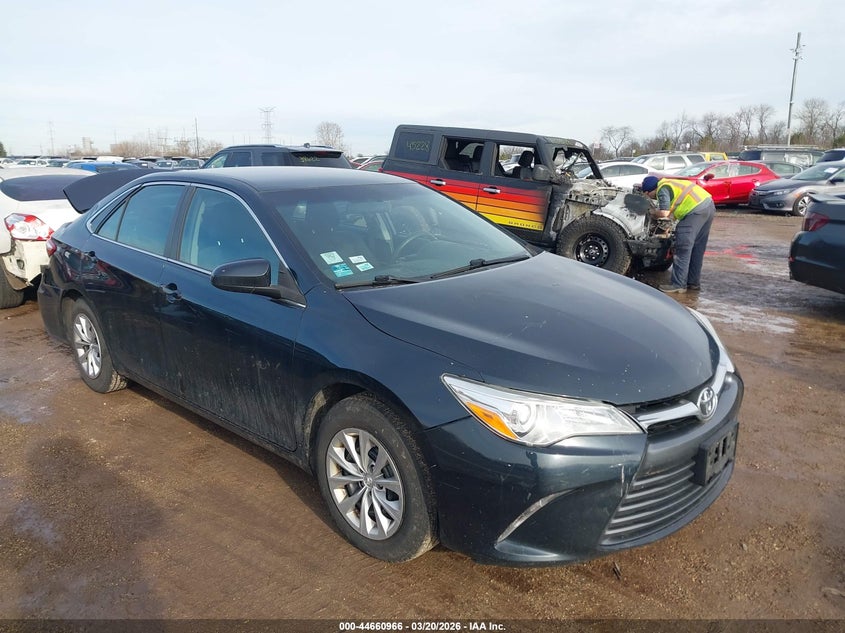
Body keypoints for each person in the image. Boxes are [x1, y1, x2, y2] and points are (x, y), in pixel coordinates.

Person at [640, 175, 715, 294]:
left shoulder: (662, 188)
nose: (650, 198)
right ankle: (693, 283)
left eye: (648, 195)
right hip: (708, 205)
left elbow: (664, 212)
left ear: (649, 191)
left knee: (682, 247)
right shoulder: (670, 183)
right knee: (697, 248)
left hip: (695, 211)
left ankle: (678, 284)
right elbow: (674, 209)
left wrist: (652, 212)